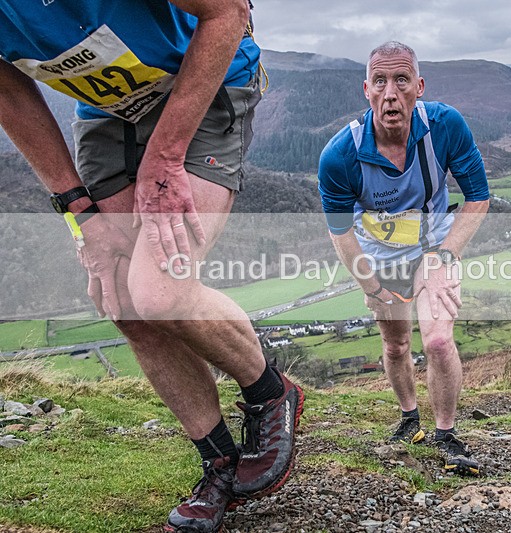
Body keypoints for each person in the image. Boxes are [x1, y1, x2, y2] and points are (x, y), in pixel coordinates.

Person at [0, 3, 303, 532]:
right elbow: (7, 90)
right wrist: (79, 212)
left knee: (160, 290)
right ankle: (220, 465)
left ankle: (270, 392)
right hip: (109, 109)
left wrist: (166, 156)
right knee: (122, 299)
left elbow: (228, 12)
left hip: (207, 74)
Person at [317, 42, 490, 476]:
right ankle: (410, 417)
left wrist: (446, 255)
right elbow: (340, 234)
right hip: (379, 259)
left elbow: (479, 197)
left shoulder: (446, 126)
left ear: (419, 87)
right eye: (380, 81)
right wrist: (371, 288)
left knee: (435, 340)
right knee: (395, 344)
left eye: (401, 81)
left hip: (434, 251)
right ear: (366, 90)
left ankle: (446, 433)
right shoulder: (339, 156)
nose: (390, 93)